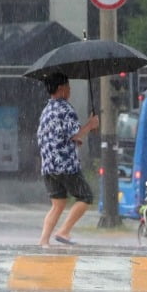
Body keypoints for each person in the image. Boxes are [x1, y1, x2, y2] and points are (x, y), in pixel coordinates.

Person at [36, 72, 99, 247]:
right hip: (65, 165)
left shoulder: (46, 110)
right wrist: (91, 125)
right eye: (68, 87)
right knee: (85, 196)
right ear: (61, 89)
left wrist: (74, 140)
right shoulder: (65, 109)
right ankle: (64, 231)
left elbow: (56, 136)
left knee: (58, 204)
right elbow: (75, 133)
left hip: (48, 166)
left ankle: (43, 241)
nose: (70, 90)